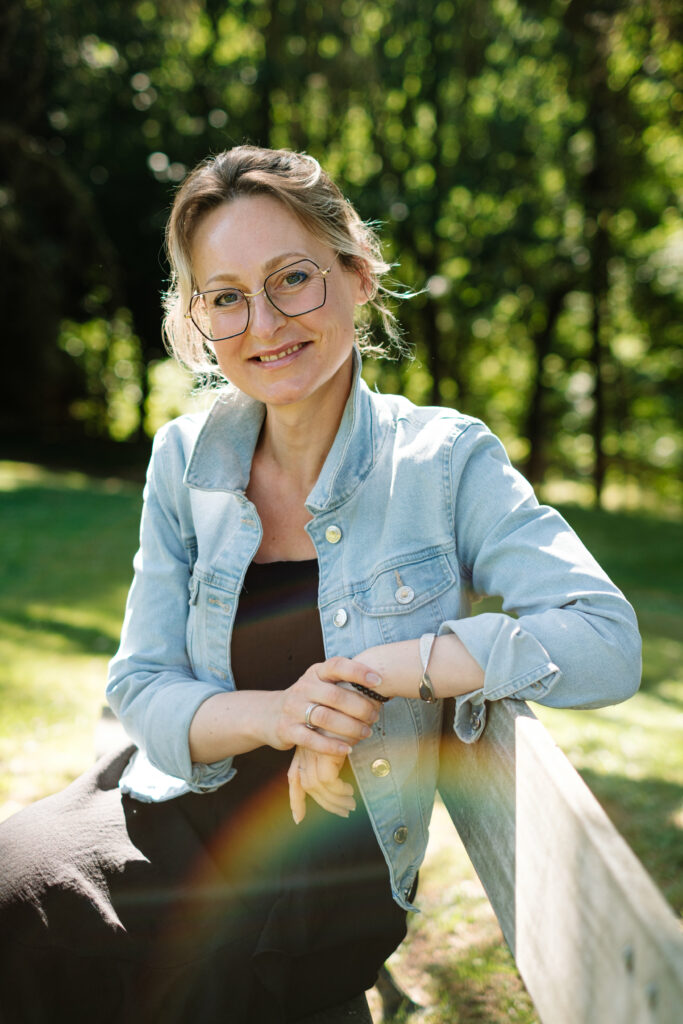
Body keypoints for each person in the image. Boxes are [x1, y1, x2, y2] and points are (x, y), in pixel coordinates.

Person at [0, 145, 641, 1024]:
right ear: (199, 323)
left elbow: (603, 640)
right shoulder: (183, 461)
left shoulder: (446, 462)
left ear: (356, 275)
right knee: (14, 887)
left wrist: (389, 670)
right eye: (225, 297)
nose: (264, 324)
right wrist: (282, 715)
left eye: (291, 279)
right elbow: (141, 686)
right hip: (175, 809)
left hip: (326, 877)